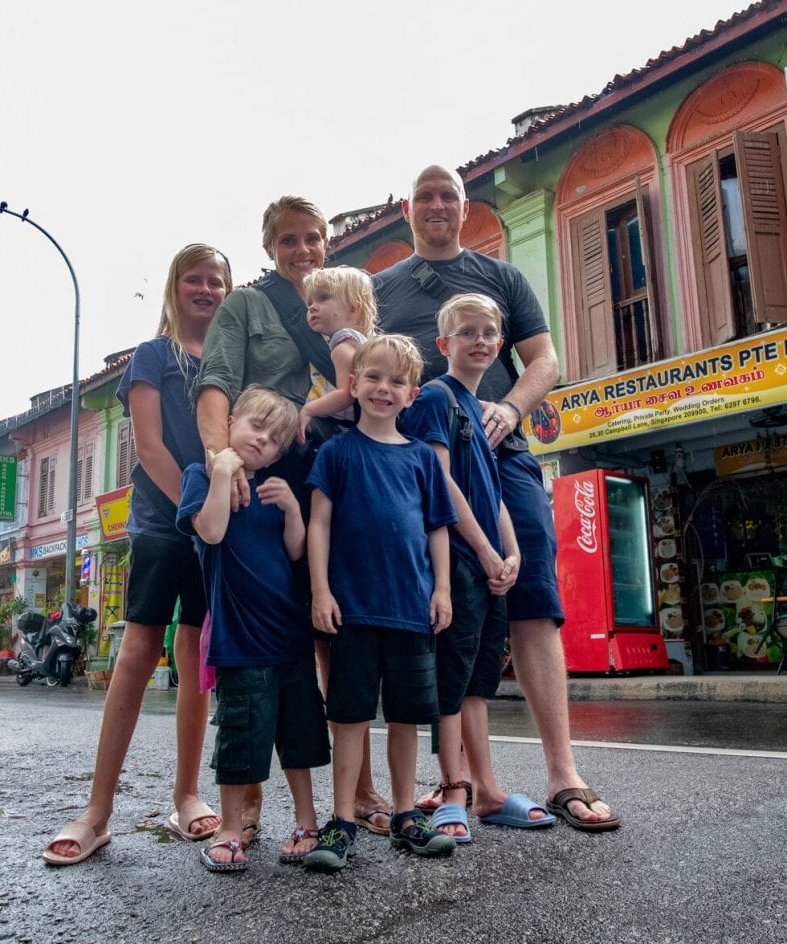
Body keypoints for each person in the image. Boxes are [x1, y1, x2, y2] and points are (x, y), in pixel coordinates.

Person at [375, 164, 620, 831]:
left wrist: (510, 408)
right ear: (407, 209)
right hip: (416, 463)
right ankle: (457, 779)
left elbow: (546, 359)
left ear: (463, 207)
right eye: (424, 196)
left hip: (502, 454)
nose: (436, 205)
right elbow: (358, 368)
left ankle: (563, 772)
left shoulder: (502, 277)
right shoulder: (380, 289)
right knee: (442, 609)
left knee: (531, 591)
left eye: (447, 195)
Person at [196, 197, 394, 837]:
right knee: (259, 638)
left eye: (312, 238)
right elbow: (216, 383)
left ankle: (357, 787)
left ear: (327, 243)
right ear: (268, 246)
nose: (301, 250)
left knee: (335, 623)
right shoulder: (247, 307)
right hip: (263, 472)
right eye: (288, 240)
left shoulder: (341, 305)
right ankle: (247, 803)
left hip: (331, 469)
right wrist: (221, 460)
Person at [43, 243, 232, 866]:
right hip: (164, 523)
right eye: (195, 280)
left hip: (216, 525)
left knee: (195, 652)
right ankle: (98, 812)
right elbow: (148, 448)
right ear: (175, 288)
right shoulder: (154, 356)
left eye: (217, 281)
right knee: (138, 650)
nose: (206, 290)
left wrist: (219, 517)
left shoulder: (233, 359)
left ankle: (187, 797)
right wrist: (197, 515)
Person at [303, 335, 458, 872]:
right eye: (373, 377)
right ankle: (342, 820)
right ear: (353, 385)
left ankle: (406, 815)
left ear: (412, 394)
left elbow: (438, 527)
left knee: (407, 718)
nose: (383, 389)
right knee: (347, 718)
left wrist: (442, 589)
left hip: (411, 609)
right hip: (352, 611)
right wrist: (320, 591)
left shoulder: (421, 458)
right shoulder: (336, 451)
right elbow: (318, 523)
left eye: (396, 381)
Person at [403, 293, 555, 838]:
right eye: (467, 332)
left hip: (490, 564)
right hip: (460, 563)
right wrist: (487, 553)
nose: (481, 341)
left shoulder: (481, 409)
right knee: (450, 678)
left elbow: (493, 497)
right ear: (443, 345)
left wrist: (511, 552)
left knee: (478, 682)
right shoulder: (435, 399)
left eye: (490, 333)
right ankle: (453, 789)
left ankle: (487, 791)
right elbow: (440, 485)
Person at [177, 386, 330, 871]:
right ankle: (229, 826)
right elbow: (212, 531)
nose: (262, 441)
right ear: (232, 422)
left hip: (289, 638)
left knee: (299, 735)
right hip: (239, 640)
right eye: (255, 427)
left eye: (274, 440)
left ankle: (307, 821)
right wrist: (221, 470)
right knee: (240, 740)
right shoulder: (201, 476)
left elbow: (294, 552)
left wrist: (291, 511)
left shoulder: (273, 487)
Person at [296, 265, 378, 444]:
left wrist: (309, 410)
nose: (312, 307)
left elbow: (347, 394)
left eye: (323, 298)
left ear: (353, 309)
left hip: (347, 427)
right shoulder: (362, 341)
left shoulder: (342, 347)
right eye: (309, 303)